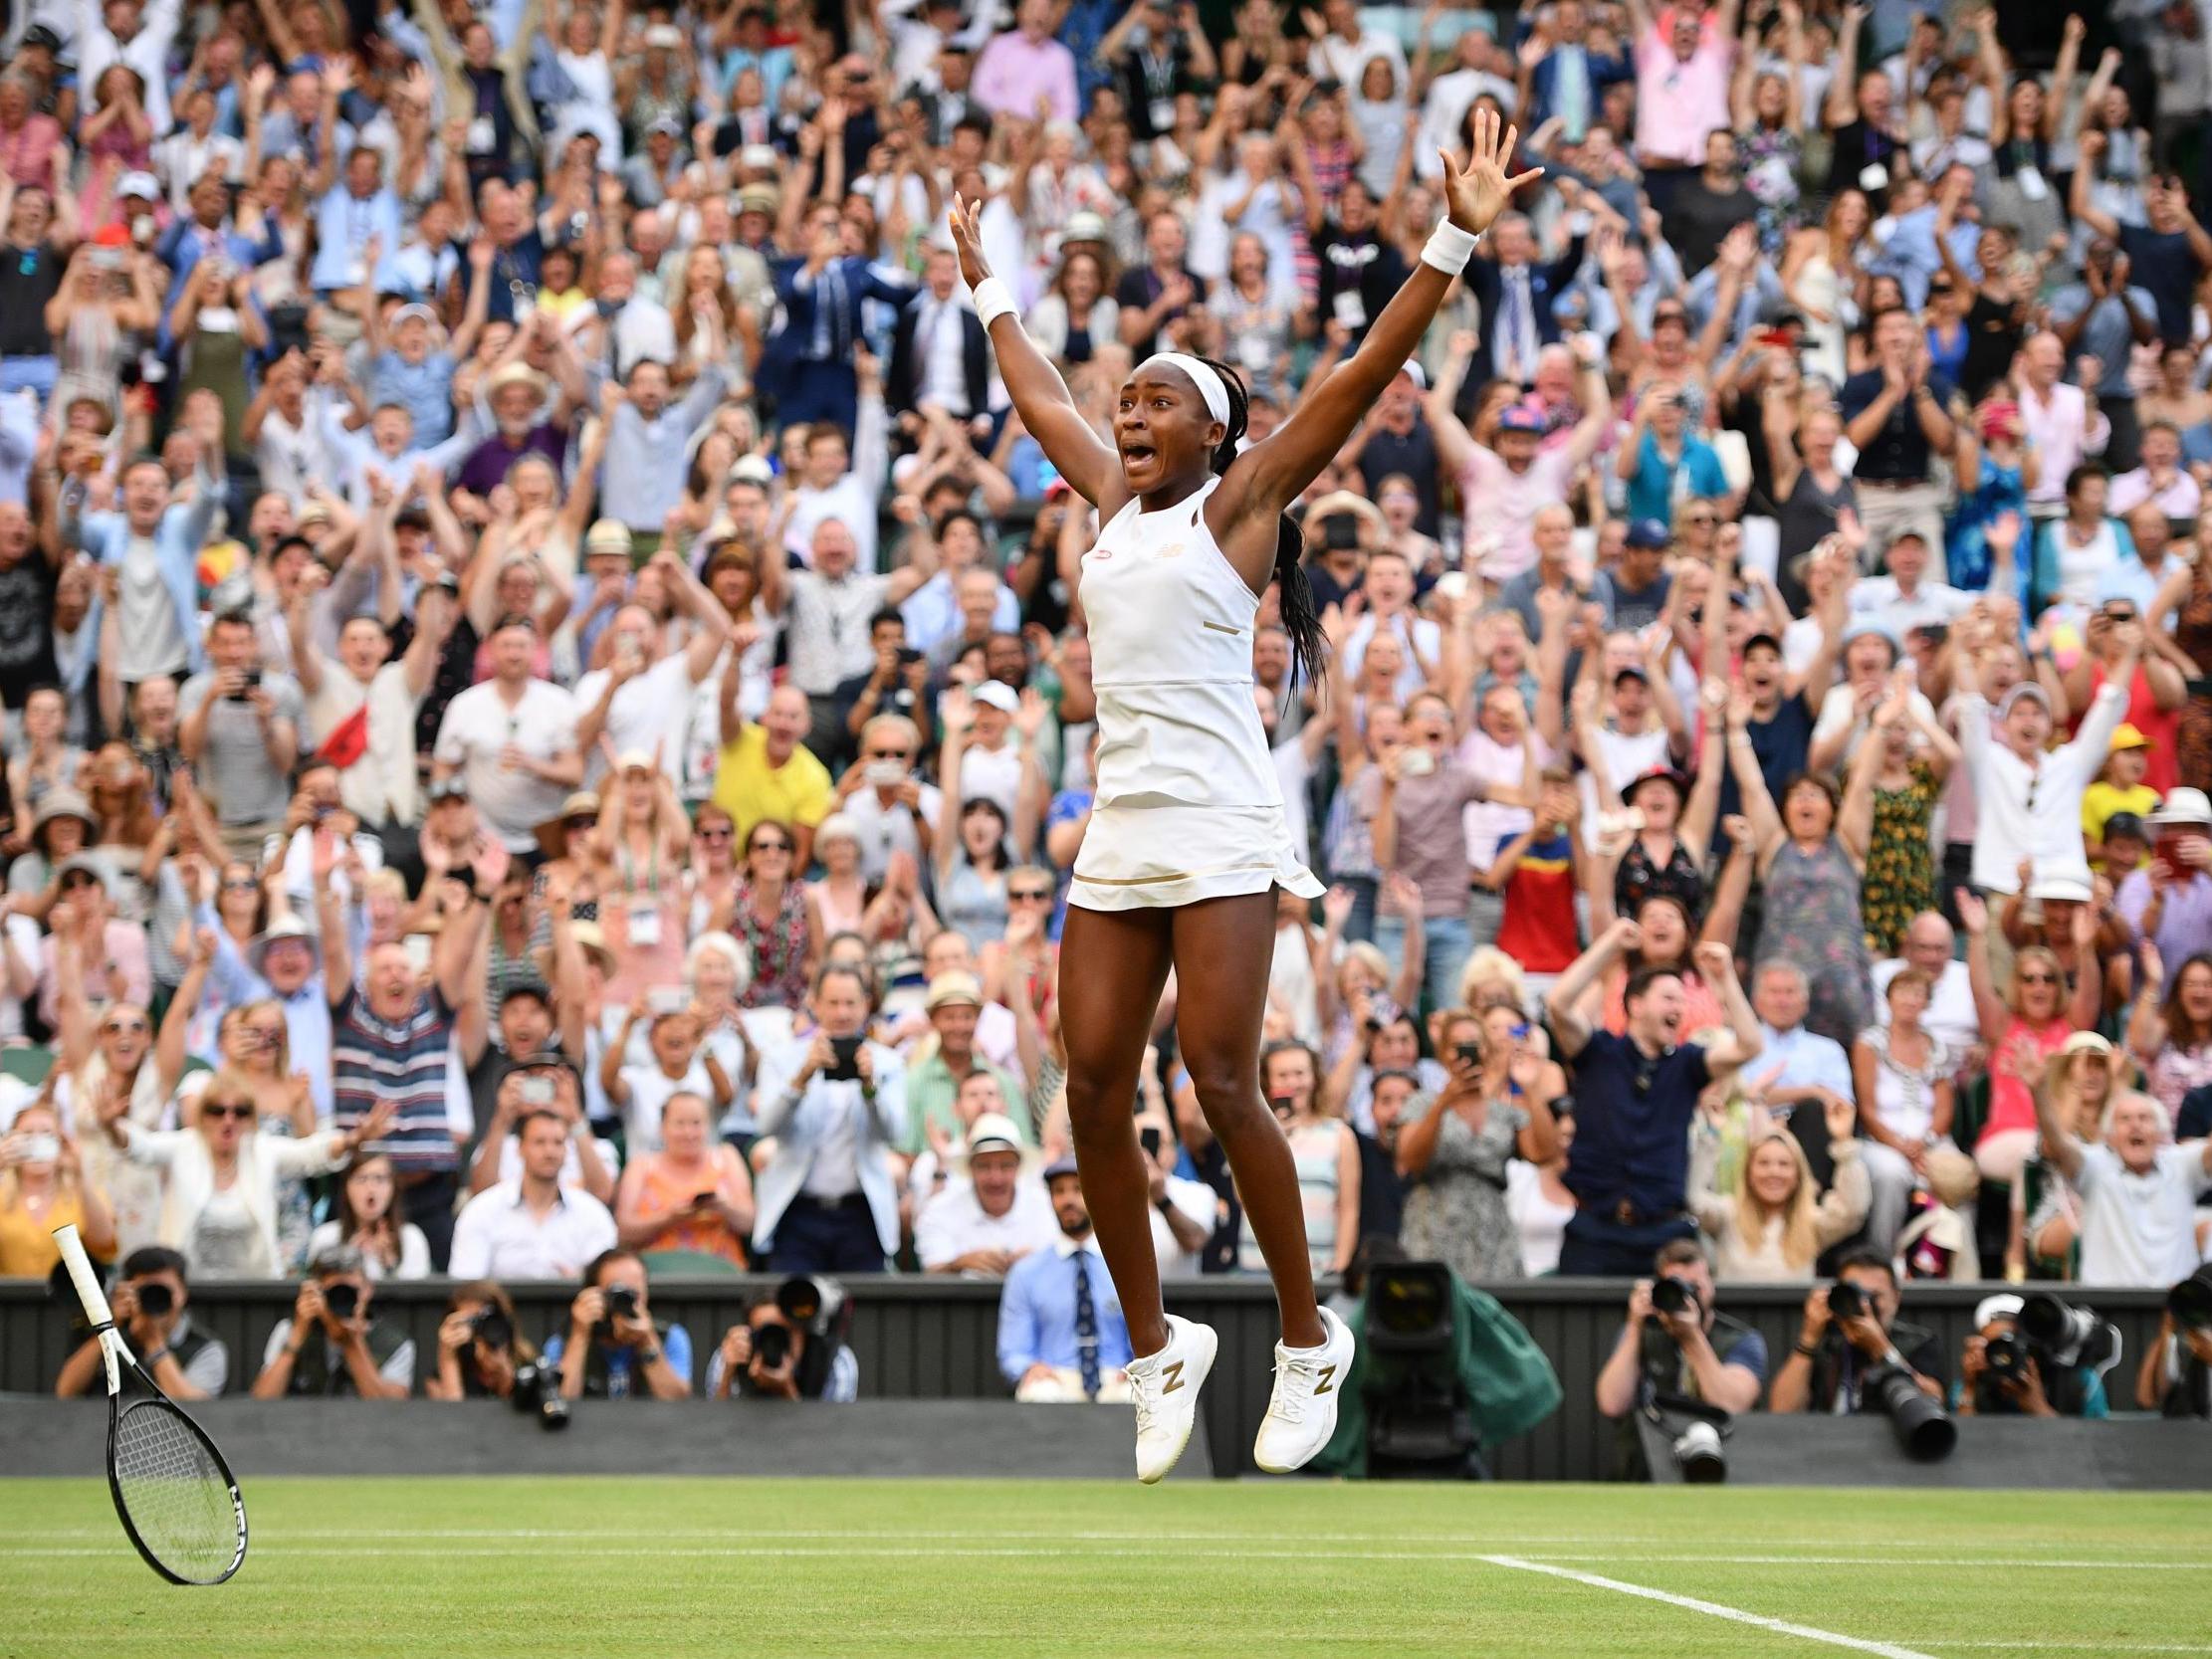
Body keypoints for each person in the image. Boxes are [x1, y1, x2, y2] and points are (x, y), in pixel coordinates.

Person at [948, 103, 1540, 1485]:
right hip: (1122, 828)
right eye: (1127, 399)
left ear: (1215, 439)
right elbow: (1037, 389)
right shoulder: (1107, 499)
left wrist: (1453, 232)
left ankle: (1301, 1334)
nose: (1126, 411)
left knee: (1216, 1077)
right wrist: (984, 278)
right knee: (1090, 1081)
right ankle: (1160, 1353)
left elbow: (1359, 373)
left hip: (1220, 824)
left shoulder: (1239, 505)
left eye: (1156, 400)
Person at [1546, 926, 1762, 1274]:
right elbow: (1558, 1002)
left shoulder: (1688, 1063)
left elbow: (1750, 1045)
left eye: (1682, 999)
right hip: (1594, 1230)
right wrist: (1610, 944)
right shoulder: (1597, 1051)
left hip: (1664, 1233)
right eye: (1669, 997)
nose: (1680, 1007)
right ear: (1635, 1004)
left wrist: (1726, 980)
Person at [751, 963, 907, 1273]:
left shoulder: (888, 1062)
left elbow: (894, 1132)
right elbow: (766, 1126)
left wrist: (870, 1088)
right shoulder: (782, 1059)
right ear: (815, 1004)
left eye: (850, 1003)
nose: (842, 1013)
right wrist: (801, 1079)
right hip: (798, 1212)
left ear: (866, 1005)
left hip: (861, 1214)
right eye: (833, 1003)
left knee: (864, 1315)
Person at [2031, 1050, 2212, 1289]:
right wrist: (2038, 1091)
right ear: (2110, 1138)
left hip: (2173, 1311)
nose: (2135, 1125)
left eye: (2144, 1118)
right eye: (2125, 1119)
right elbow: (2058, 1143)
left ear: (2160, 1134)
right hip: (2109, 1308)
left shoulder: (2182, 1164)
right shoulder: (2095, 1166)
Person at [996, 1154, 1135, 1403]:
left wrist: (1136, 1368)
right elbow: (1013, 1351)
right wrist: (1029, 1368)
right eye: (1059, 1191)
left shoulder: (1128, 1267)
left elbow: (1148, 1339)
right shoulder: (1027, 1272)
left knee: (1136, 1396)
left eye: (1078, 1189)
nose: (1068, 1200)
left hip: (1115, 1375)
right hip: (1056, 1377)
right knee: (1040, 1394)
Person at [1593, 1238, 1766, 1426]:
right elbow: (1612, 1404)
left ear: (1711, 1285)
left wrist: (1692, 1339)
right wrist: (1635, 1326)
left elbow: (1731, 1406)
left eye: (1694, 1287)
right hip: (1650, 1447)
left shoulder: (1741, 1339)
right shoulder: (1641, 1332)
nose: (1685, 1297)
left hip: (1718, 1448)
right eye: (1676, 1287)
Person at [447, 1109, 620, 1280]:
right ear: (520, 1148)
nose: (549, 1152)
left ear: (567, 1150)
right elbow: (466, 1286)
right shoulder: (482, 1210)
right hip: (497, 1306)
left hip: (575, 1306)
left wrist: (578, 1283)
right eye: (539, 1142)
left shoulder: (592, 1213)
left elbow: (605, 1284)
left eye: (558, 1142)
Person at [1769, 1251, 1949, 1415]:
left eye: (1874, 1296)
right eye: (1856, 1294)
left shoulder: (1919, 1343)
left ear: (1896, 1297)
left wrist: (1881, 1349)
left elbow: (1932, 1405)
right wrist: (1808, 1338)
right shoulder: (1825, 1343)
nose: (1865, 1305)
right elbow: (1782, 1410)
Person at [53, 1246, 229, 1401]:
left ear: (183, 1293)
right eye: (146, 1291)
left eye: (164, 1291)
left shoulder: (206, 1348)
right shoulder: (101, 1334)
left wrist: (153, 1343)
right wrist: (108, 1328)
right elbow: (66, 1393)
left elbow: (192, 1410)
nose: (155, 1299)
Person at [251, 1244, 415, 1399]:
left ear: (368, 1290)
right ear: (318, 1293)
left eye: (351, 1292)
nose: (342, 1299)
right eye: (333, 1293)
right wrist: (297, 1336)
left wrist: (351, 1343)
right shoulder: (289, 1331)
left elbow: (392, 1412)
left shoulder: (394, 1344)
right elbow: (262, 1402)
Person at [544, 1247, 694, 1401]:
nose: (626, 1303)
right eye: (617, 1294)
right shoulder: (563, 1342)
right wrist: (580, 1335)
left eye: (634, 1294)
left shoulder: (670, 1337)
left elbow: (678, 1405)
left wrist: (647, 1342)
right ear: (593, 1295)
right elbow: (560, 1403)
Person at [916, 1111, 1057, 1274]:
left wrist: (1037, 1263)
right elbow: (932, 1272)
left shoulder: (1045, 1206)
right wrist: (959, 1264)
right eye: (984, 1166)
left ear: (1018, 1167)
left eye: (1005, 1166)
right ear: (970, 1168)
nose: (995, 1179)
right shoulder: (938, 1210)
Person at [422, 1280, 538, 1403]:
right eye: (470, 1322)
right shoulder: (439, 1378)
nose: (478, 1331)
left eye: (485, 1321)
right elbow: (452, 1415)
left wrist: (503, 1374)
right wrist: (447, 1357)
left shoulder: (528, 1366)